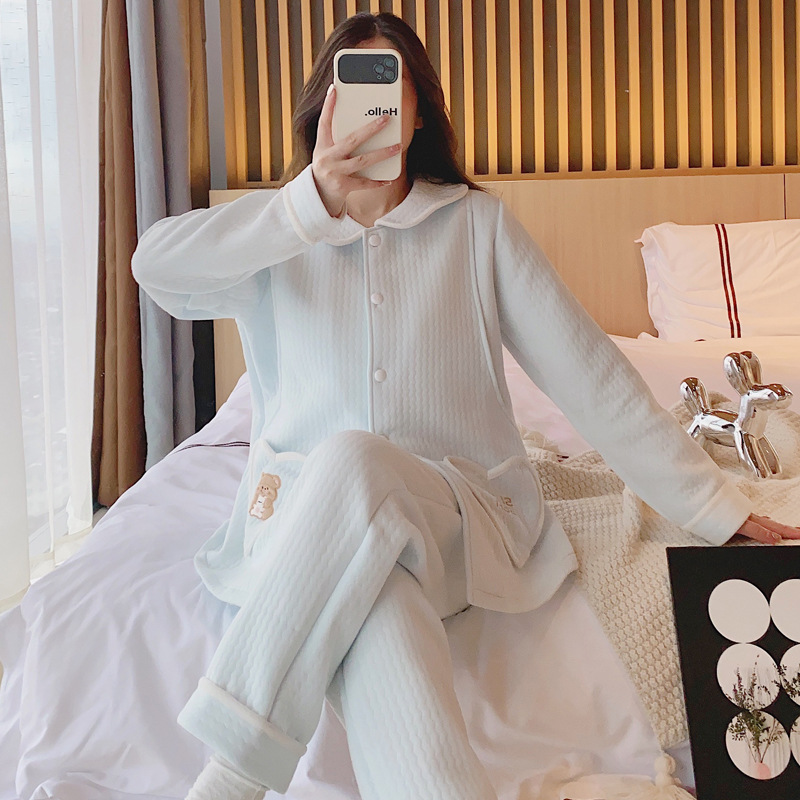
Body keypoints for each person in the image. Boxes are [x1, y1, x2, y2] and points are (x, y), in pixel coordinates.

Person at [131, 12, 799, 800]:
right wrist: (305, 205)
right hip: (311, 528)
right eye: (354, 89)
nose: (374, 109)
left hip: (457, 519)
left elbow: (591, 376)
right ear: (324, 106)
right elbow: (155, 267)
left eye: (392, 90)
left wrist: (712, 507)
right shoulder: (277, 231)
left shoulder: (475, 226)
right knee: (374, 600)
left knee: (354, 458)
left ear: (418, 113)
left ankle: (235, 769)